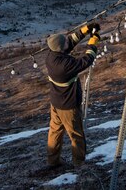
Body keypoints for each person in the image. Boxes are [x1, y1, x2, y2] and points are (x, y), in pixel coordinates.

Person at [45, 22, 100, 168]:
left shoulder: (51, 55)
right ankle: (79, 163)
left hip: (56, 103)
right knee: (76, 135)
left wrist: (85, 30)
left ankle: (53, 161)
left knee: (55, 132)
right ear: (60, 48)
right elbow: (87, 60)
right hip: (68, 106)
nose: (66, 43)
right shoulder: (65, 65)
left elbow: (68, 43)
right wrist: (94, 40)